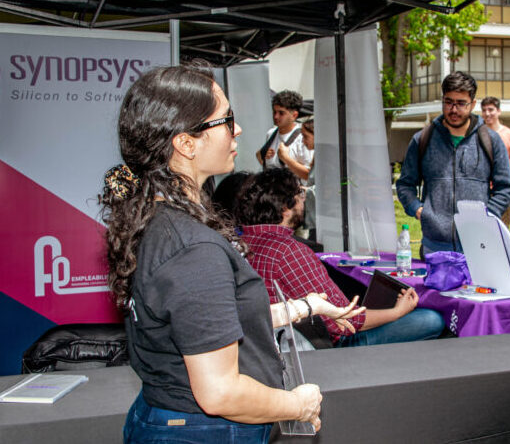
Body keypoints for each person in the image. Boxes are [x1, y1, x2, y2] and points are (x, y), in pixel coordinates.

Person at [100, 63, 363, 442]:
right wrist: (296, 404)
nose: (237, 129)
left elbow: (208, 321)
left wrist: (309, 306)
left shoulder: (157, 219)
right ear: (185, 143)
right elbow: (220, 391)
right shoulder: (191, 247)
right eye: (226, 120)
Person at [235, 167, 446, 348]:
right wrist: (397, 312)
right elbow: (345, 320)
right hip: (329, 346)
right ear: (284, 208)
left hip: (277, 342)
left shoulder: (242, 242)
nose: (303, 200)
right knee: (432, 320)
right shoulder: (288, 251)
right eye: (300, 194)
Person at [396, 71, 510, 254]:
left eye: (461, 103)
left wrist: (485, 217)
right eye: (449, 102)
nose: (454, 110)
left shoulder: (491, 140)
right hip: (434, 247)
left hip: (478, 246)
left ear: (473, 104)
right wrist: (419, 210)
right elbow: (404, 185)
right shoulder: (422, 140)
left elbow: (505, 189)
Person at [257, 90, 313, 182]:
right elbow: (265, 162)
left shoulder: (303, 138)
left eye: (281, 113)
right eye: (274, 112)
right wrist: (261, 154)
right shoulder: (271, 134)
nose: (276, 116)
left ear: (294, 115)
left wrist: (285, 158)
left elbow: (309, 174)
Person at [481, 96, 510, 184]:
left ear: (499, 111)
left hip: (502, 185)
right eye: (484, 110)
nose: (487, 113)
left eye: (491, 110)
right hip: (482, 186)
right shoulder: (477, 135)